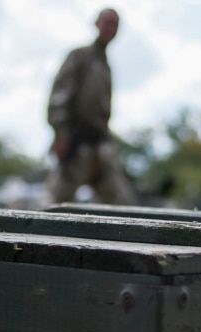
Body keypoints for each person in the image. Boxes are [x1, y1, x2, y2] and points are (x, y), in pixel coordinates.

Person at [46, 8, 136, 205]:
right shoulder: (80, 57)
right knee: (56, 203)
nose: (111, 29)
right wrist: (61, 131)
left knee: (121, 202)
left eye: (115, 25)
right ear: (97, 24)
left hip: (100, 144)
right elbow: (60, 95)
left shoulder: (105, 65)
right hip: (76, 141)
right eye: (108, 23)